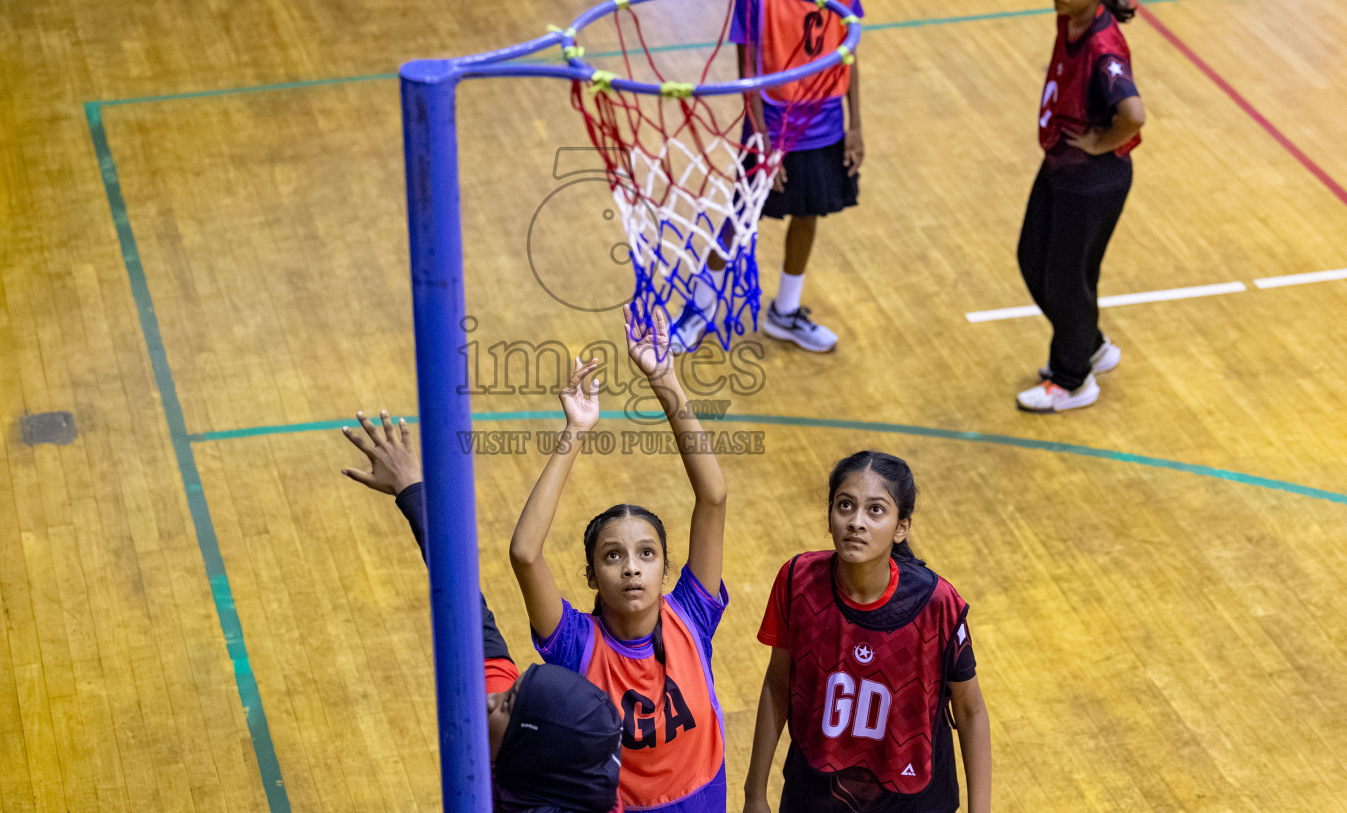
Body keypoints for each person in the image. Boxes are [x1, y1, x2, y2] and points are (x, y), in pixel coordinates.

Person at [338, 410, 624, 813]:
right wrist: (412, 489)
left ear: (532, 752)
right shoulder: (545, 763)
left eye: (507, 706)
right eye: (510, 693)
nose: (490, 700)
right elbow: (467, 608)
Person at [510, 307, 730, 813]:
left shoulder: (692, 614)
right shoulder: (575, 643)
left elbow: (713, 497)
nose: (632, 567)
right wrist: (575, 429)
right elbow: (525, 553)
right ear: (591, 575)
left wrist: (664, 378)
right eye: (613, 556)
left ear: (665, 569)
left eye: (646, 554)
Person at [673, 0, 864, 355]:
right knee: (740, 218)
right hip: (774, 122)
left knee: (809, 212)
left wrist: (855, 125)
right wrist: (762, 142)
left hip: (826, 121)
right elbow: (749, 72)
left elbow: (849, 53)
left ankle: (786, 311)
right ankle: (699, 309)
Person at [744, 451, 991, 813]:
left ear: (901, 527)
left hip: (915, 803)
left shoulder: (938, 604)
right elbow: (777, 684)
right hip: (815, 798)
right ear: (829, 516)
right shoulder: (797, 581)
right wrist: (754, 793)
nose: (856, 522)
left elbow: (970, 711)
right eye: (845, 505)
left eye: (875, 510)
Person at [1016, 0, 1147, 412]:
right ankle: (1090, 345)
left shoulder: (1103, 47)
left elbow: (1133, 114)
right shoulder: (1071, 18)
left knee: (1066, 280)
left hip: (1092, 180)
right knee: (1033, 259)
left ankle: (1072, 380)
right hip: (1061, 164)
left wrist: (1099, 144)